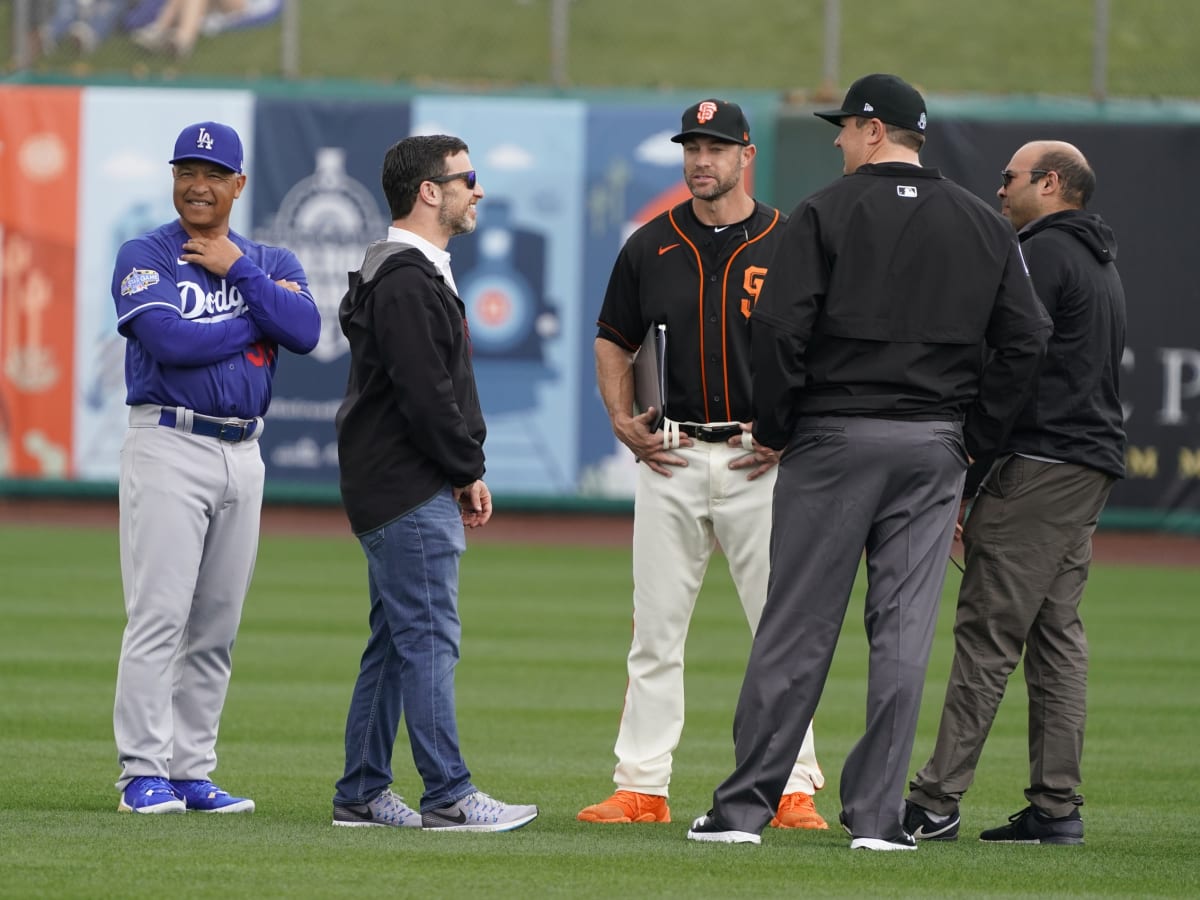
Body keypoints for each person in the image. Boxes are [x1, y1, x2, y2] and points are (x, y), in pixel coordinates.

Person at [687, 73, 1054, 850]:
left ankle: (743, 812)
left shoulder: (824, 209)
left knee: (795, 629)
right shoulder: (983, 224)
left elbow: (779, 329)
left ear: (874, 129)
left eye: (846, 127)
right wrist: (973, 439)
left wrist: (778, 426)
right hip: (932, 448)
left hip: (834, 437)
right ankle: (879, 819)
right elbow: (1026, 339)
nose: (837, 139)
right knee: (903, 636)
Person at [579, 99, 827, 831]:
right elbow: (612, 340)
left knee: (779, 629)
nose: (701, 159)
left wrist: (789, 430)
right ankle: (642, 788)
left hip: (761, 462)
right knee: (655, 632)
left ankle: (793, 788)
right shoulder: (650, 243)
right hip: (675, 454)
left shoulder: (790, 242)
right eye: (692, 145)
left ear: (746, 154)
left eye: (716, 146)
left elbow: (824, 350)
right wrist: (623, 421)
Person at [904, 141, 1126, 846]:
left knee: (987, 634)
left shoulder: (1039, 254)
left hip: (1037, 465)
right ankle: (1056, 808)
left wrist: (971, 462)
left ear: (1050, 183)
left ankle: (935, 802)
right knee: (1056, 637)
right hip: (1084, 467)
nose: (999, 191)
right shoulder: (1098, 260)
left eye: (1009, 179)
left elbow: (1011, 356)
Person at [330, 134, 538, 833]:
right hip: (406, 487)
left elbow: (427, 392)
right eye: (466, 178)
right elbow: (427, 396)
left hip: (399, 482)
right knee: (427, 639)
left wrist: (461, 468)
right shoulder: (406, 278)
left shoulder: (403, 273)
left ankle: (360, 792)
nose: (476, 190)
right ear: (429, 190)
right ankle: (449, 792)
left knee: (395, 640)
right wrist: (465, 468)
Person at [111, 120, 320, 814]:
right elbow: (166, 340)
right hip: (169, 443)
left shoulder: (269, 260)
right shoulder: (147, 253)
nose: (196, 185)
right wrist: (256, 319)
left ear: (237, 184)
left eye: (210, 173)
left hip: (244, 452)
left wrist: (241, 275)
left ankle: (191, 769)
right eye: (185, 171)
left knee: (216, 625)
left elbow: (309, 332)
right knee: (159, 615)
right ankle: (142, 771)